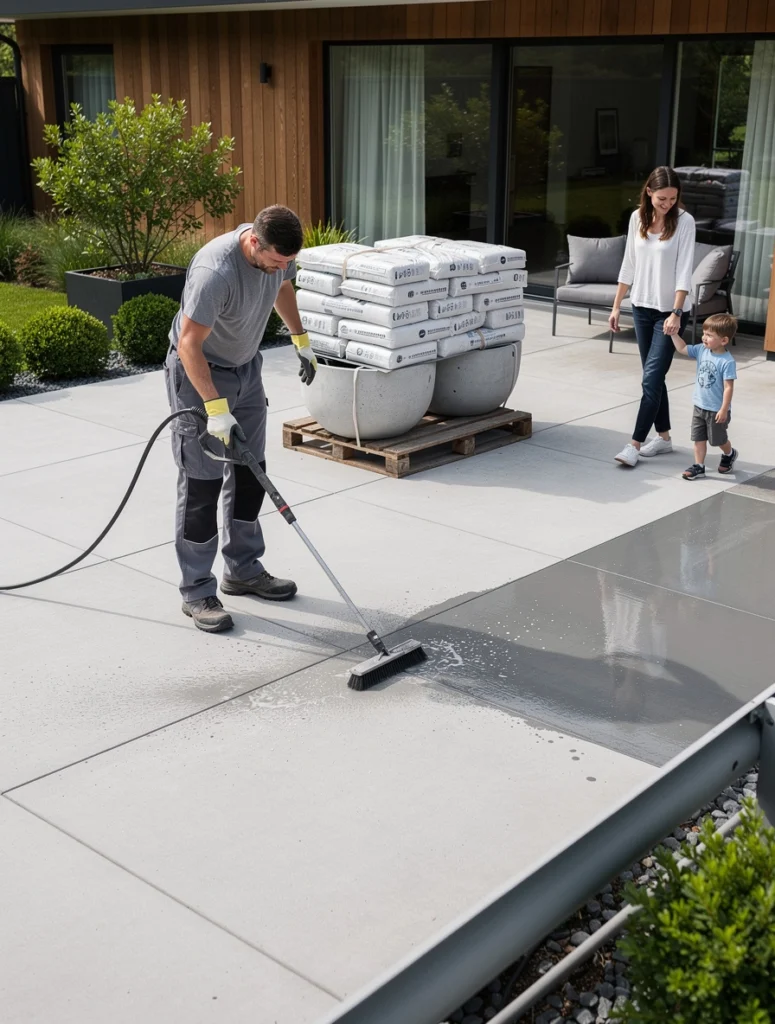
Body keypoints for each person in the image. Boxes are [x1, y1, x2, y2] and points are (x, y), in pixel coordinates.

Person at [165, 205, 317, 633]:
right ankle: (196, 590)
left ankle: (244, 569)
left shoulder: (276, 260)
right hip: (200, 375)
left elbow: (283, 288)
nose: (281, 269)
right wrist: (215, 409)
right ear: (253, 241)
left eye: (287, 263)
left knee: (251, 472)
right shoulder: (216, 272)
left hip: (247, 369)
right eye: (275, 260)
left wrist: (300, 338)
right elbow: (189, 346)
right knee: (202, 483)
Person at [609, 167, 696, 468]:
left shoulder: (685, 222)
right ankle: (665, 438)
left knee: (650, 379)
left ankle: (634, 444)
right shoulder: (638, 218)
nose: (668, 203)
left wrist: (677, 311)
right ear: (649, 192)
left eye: (673, 198)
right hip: (642, 308)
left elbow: (685, 270)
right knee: (654, 378)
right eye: (662, 198)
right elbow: (628, 265)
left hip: (670, 313)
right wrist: (617, 305)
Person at [670, 313, 738, 481]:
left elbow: (729, 387)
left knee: (718, 440)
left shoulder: (727, 361)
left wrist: (723, 409)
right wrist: (673, 334)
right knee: (698, 438)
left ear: (723, 340)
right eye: (704, 333)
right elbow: (682, 348)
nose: (704, 338)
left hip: (716, 410)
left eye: (709, 335)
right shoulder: (701, 350)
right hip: (699, 406)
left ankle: (729, 453)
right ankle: (699, 466)